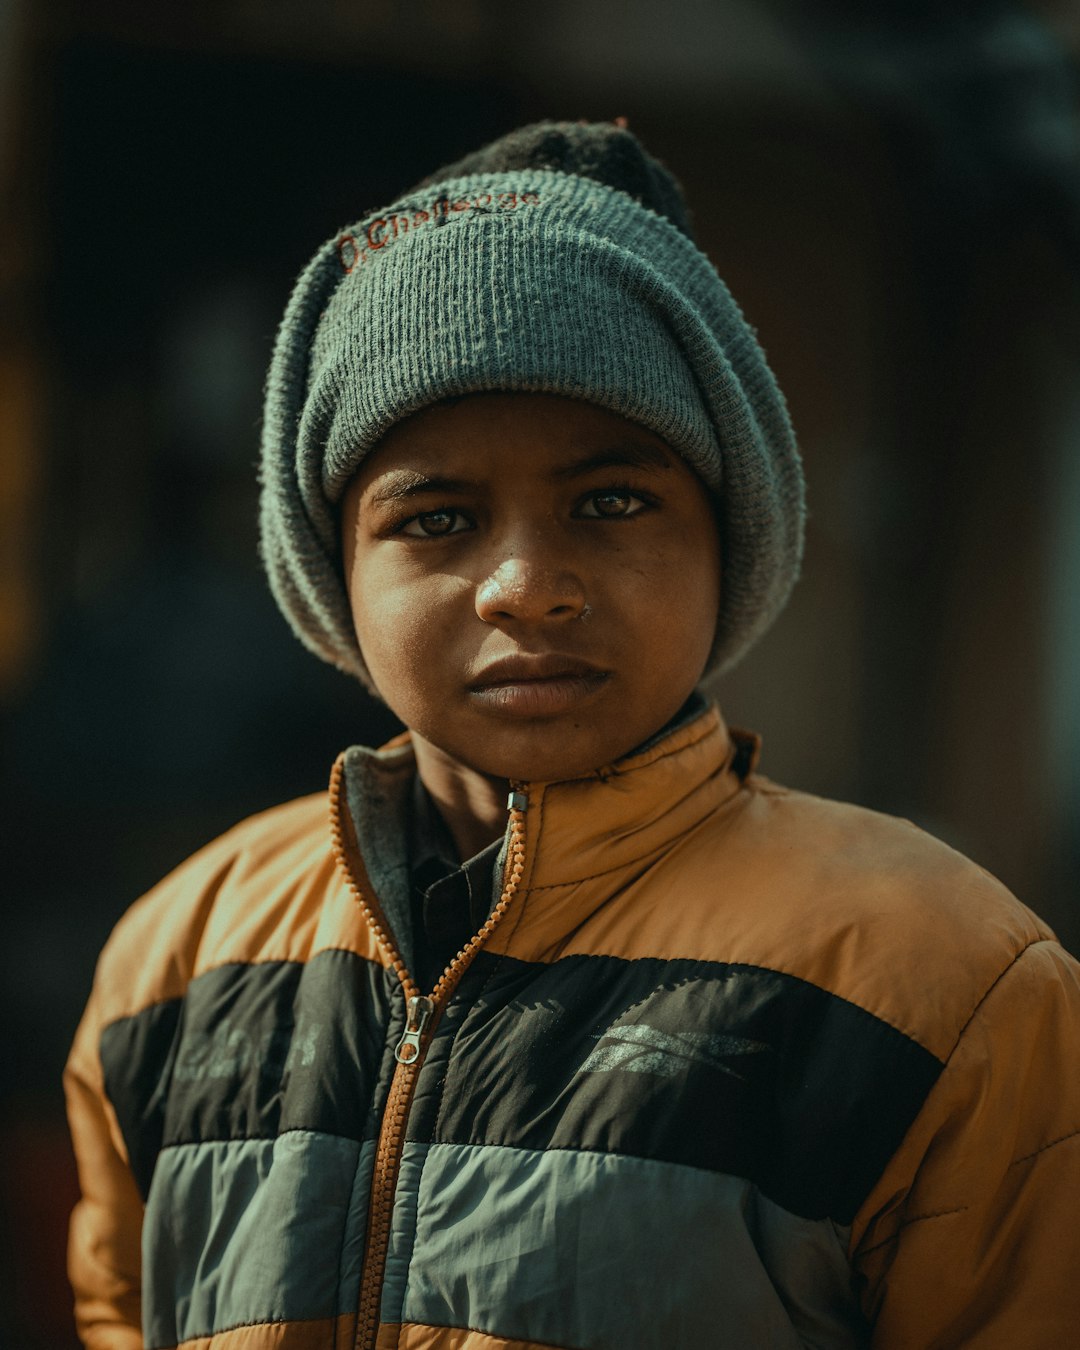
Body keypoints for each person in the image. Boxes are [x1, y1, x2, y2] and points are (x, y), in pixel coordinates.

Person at [65, 120, 1080, 1350]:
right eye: (436, 519)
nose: (525, 586)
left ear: (730, 540)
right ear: (334, 569)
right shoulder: (180, 957)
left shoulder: (944, 983)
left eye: (612, 502)